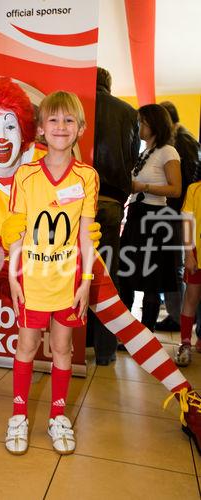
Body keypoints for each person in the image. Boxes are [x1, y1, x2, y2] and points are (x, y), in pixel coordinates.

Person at [0, 76, 201, 455]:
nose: (1, 135)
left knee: (122, 322)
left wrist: (84, 236)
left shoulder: (46, 158)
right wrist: (4, 249)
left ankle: (185, 396)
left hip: (71, 262)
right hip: (10, 261)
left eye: (9, 124)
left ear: (26, 128)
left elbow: (79, 205)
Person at [5, 91, 97, 455]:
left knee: (62, 349)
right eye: (53, 120)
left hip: (69, 281)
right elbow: (18, 232)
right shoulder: (25, 175)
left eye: (69, 120)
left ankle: (58, 416)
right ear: (41, 128)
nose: (61, 127)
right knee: (26, 347)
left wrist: (87, 281)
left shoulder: (87, 177)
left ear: (80, 128)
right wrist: (13, 275)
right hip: (31, 280)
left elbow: (87, 237)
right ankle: (18, 415)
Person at [87, 67, 140, 365]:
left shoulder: (79, 103)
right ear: (109, 84)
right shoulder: (129, 112)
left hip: (79, 201)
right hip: (111, 202)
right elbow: (132, 158)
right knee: (109, 277)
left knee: (71, 273)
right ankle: (105, 353)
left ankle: (69, 345)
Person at [119, 104, 181, 332]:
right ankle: (128, 332)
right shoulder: (144, 152)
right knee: (125, 275)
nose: (138, 126)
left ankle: (146, 333)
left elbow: (175, 189)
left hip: (154, 219)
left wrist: (142, 186)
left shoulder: (168, 151)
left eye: (141, 122)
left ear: (154, 124)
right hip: (136, 216)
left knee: (151, 281)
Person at [155, 101, 201, 332]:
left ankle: (178, 316)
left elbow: (190, 177)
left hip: (178, 213)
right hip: (175, 212)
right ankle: (178, 315)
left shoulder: (182, 141)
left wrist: (180, 205)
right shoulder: (181, 139)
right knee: (174, 266)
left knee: (176, 267)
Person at [174, 177, 201, 366]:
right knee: (191, 298)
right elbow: (187, 223)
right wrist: (189, 254)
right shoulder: (194, 189)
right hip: (197, 255)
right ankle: (185, 343)